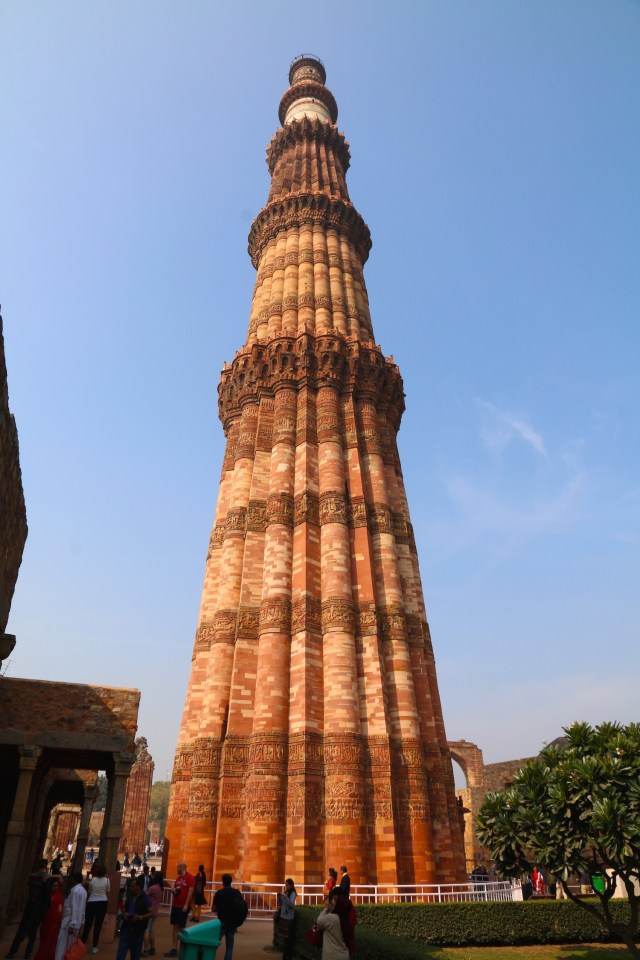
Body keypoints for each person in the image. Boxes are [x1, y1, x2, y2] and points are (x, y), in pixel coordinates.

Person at [6, 859, 50, 960]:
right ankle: (28, 953)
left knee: (22, 929)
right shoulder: (46, 878)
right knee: (33, 932)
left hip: (30, 904)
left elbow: (30, 885)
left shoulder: (32, 876)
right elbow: (47, 894)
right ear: (46, 866)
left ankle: (12, 951)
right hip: (38, 907)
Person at [116, 878, 152, 960]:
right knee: (120, 956)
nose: (130, 888)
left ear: (138, 887)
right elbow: (125, 910)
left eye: (133, 886)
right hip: (126, 930)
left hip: (137, 933)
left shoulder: (145, 898)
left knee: (135, 957)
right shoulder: (130, 898)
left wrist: (141, 917)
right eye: (130, 886)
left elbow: (151, 913)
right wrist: (125, 914)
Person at [163, 863, 194, 957]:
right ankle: (174, 948)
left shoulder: (189, 877)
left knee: (181, 927)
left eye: (178, 868)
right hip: (176, 905)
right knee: (175, 926)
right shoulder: (178, 879)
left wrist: (186, 904)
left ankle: (185, 948)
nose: (177, 869)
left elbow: (191, 890)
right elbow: (177, 892)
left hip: (182, 906)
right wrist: (173, 891)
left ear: (182, 868)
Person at [54, 873, 87, 960]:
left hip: (70, 922)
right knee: (70, 945)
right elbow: (82, 909)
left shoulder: (76, 891)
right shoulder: (83, 891)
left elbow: (75, 908)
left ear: (74, 880)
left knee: (63, 944)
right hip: (76, 923)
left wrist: (72, 924)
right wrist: (81, 923)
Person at [212, 874, 243, 960]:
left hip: (221, 921)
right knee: (229, 948)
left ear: (222, 882)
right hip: (232, 922)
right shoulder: (236, 893)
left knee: (214, 943)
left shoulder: (219, 893)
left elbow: (213, 909)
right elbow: (241, 906)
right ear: (231, 881)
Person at [82, 862, 110, 954]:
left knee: (88, 924)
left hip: (92, 902)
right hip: (102, 902)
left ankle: (82, 944)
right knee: (98, 925)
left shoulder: (93, 879)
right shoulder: (107, 880)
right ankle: (94, 946)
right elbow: (107, 891)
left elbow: (90, 890)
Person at [33, 878, 64, 960]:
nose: (56, 887)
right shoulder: (48, 896)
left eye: (57, 886)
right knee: (45, 942)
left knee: (53, 942)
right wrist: (46, 879)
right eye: (54, 886)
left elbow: (60, 877)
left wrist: (49, 877)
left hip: (56, 923)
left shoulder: (58, 892)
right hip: (48, 922)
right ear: (50, 887)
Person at [316, 893, 349, 960]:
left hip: (332, 955)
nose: (331, 902)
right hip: (344, 954)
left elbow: (319, 923)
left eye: (333, 900)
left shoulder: (332, 918)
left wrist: (326, 908)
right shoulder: (346, 917)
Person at [142, 872, 163, 957]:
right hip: (155, 911)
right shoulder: (160, 888)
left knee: (146, 930)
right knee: (150, 929)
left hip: (150, 911)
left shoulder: (153, 888)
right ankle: (152, 948)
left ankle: (146, 950)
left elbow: (144, 895)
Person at [277, 879, 296, 960]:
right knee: (285, 938)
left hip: (289, 918)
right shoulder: (286, 892)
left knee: (288, 939)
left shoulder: (293, 893)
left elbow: (291, 904)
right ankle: (285, 955)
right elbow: (283, 903)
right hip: (283, 916)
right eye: (286, 885)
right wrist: (280, 897)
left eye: (287, 885)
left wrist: (284, 897)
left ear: (291, 885)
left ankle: (289, 956)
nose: (286, 887)